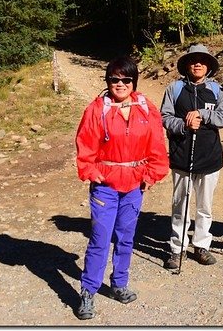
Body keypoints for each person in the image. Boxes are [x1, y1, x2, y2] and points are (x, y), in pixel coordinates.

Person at [74, 56, 169, 320]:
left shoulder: (146, 108)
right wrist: (92, 173)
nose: (120, 84)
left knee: (126, 236)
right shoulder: (96, 109)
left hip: (134, 185)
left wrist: (151, 175)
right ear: (107, 81)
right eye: (114, 79)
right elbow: (85, 145)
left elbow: (157, 145)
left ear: (134, 82)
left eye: (126, 79)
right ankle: (88, 291)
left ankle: (119, 283)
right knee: (100, 239)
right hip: (105, 184)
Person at [160, 44, 223, 270]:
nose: (197, 63)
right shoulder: (175, 88)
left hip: (210, 157)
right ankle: (177, 248)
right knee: (180, 205)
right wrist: (183, 124)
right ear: (187, 65)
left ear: (208, 65)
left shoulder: (217, 90)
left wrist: (202, 114)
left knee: (204, 206)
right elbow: (164, 117)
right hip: (182, 157)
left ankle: (201, 245)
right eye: (193, 60)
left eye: (202, 60)